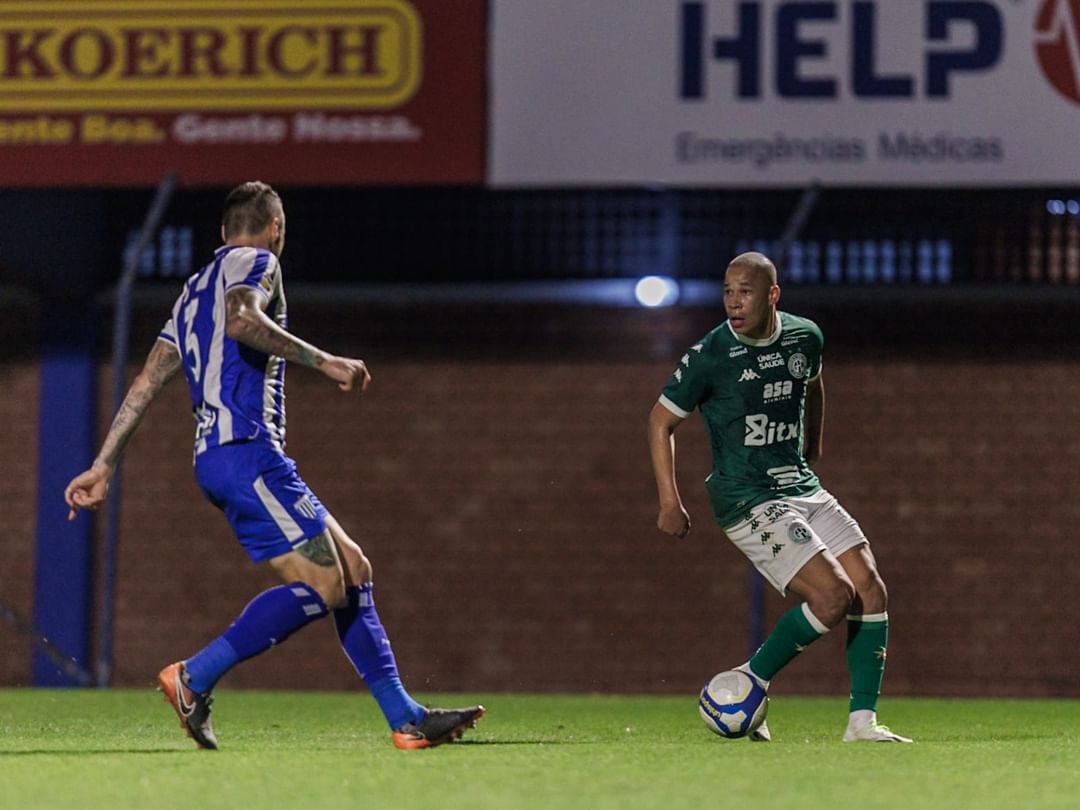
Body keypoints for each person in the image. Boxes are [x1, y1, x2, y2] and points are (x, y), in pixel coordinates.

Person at [64, 181, 484, 750]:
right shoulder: (257, 261)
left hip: (228, 458)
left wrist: (103, 463)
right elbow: (242, 320)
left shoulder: (192, 293)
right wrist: (325, 360)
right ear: (277, 227)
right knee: (324, 584)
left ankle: (406, 718)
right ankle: (194, 676)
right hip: (247, 454)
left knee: (352, 568)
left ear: (222, 231)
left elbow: (146, 381)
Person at [647, 251, 911, 743]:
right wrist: (669, 501)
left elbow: (813, 383)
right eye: (727, 292)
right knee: (833, 597)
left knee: (870, 587)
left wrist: (813, 442)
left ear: (772, 295)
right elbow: (660, 421)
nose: (733, 302)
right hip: (745, 496)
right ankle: (750, 677)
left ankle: (862, 724)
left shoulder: (804, 336)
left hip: (800, 485)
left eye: (745, 292)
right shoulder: (710, 354)